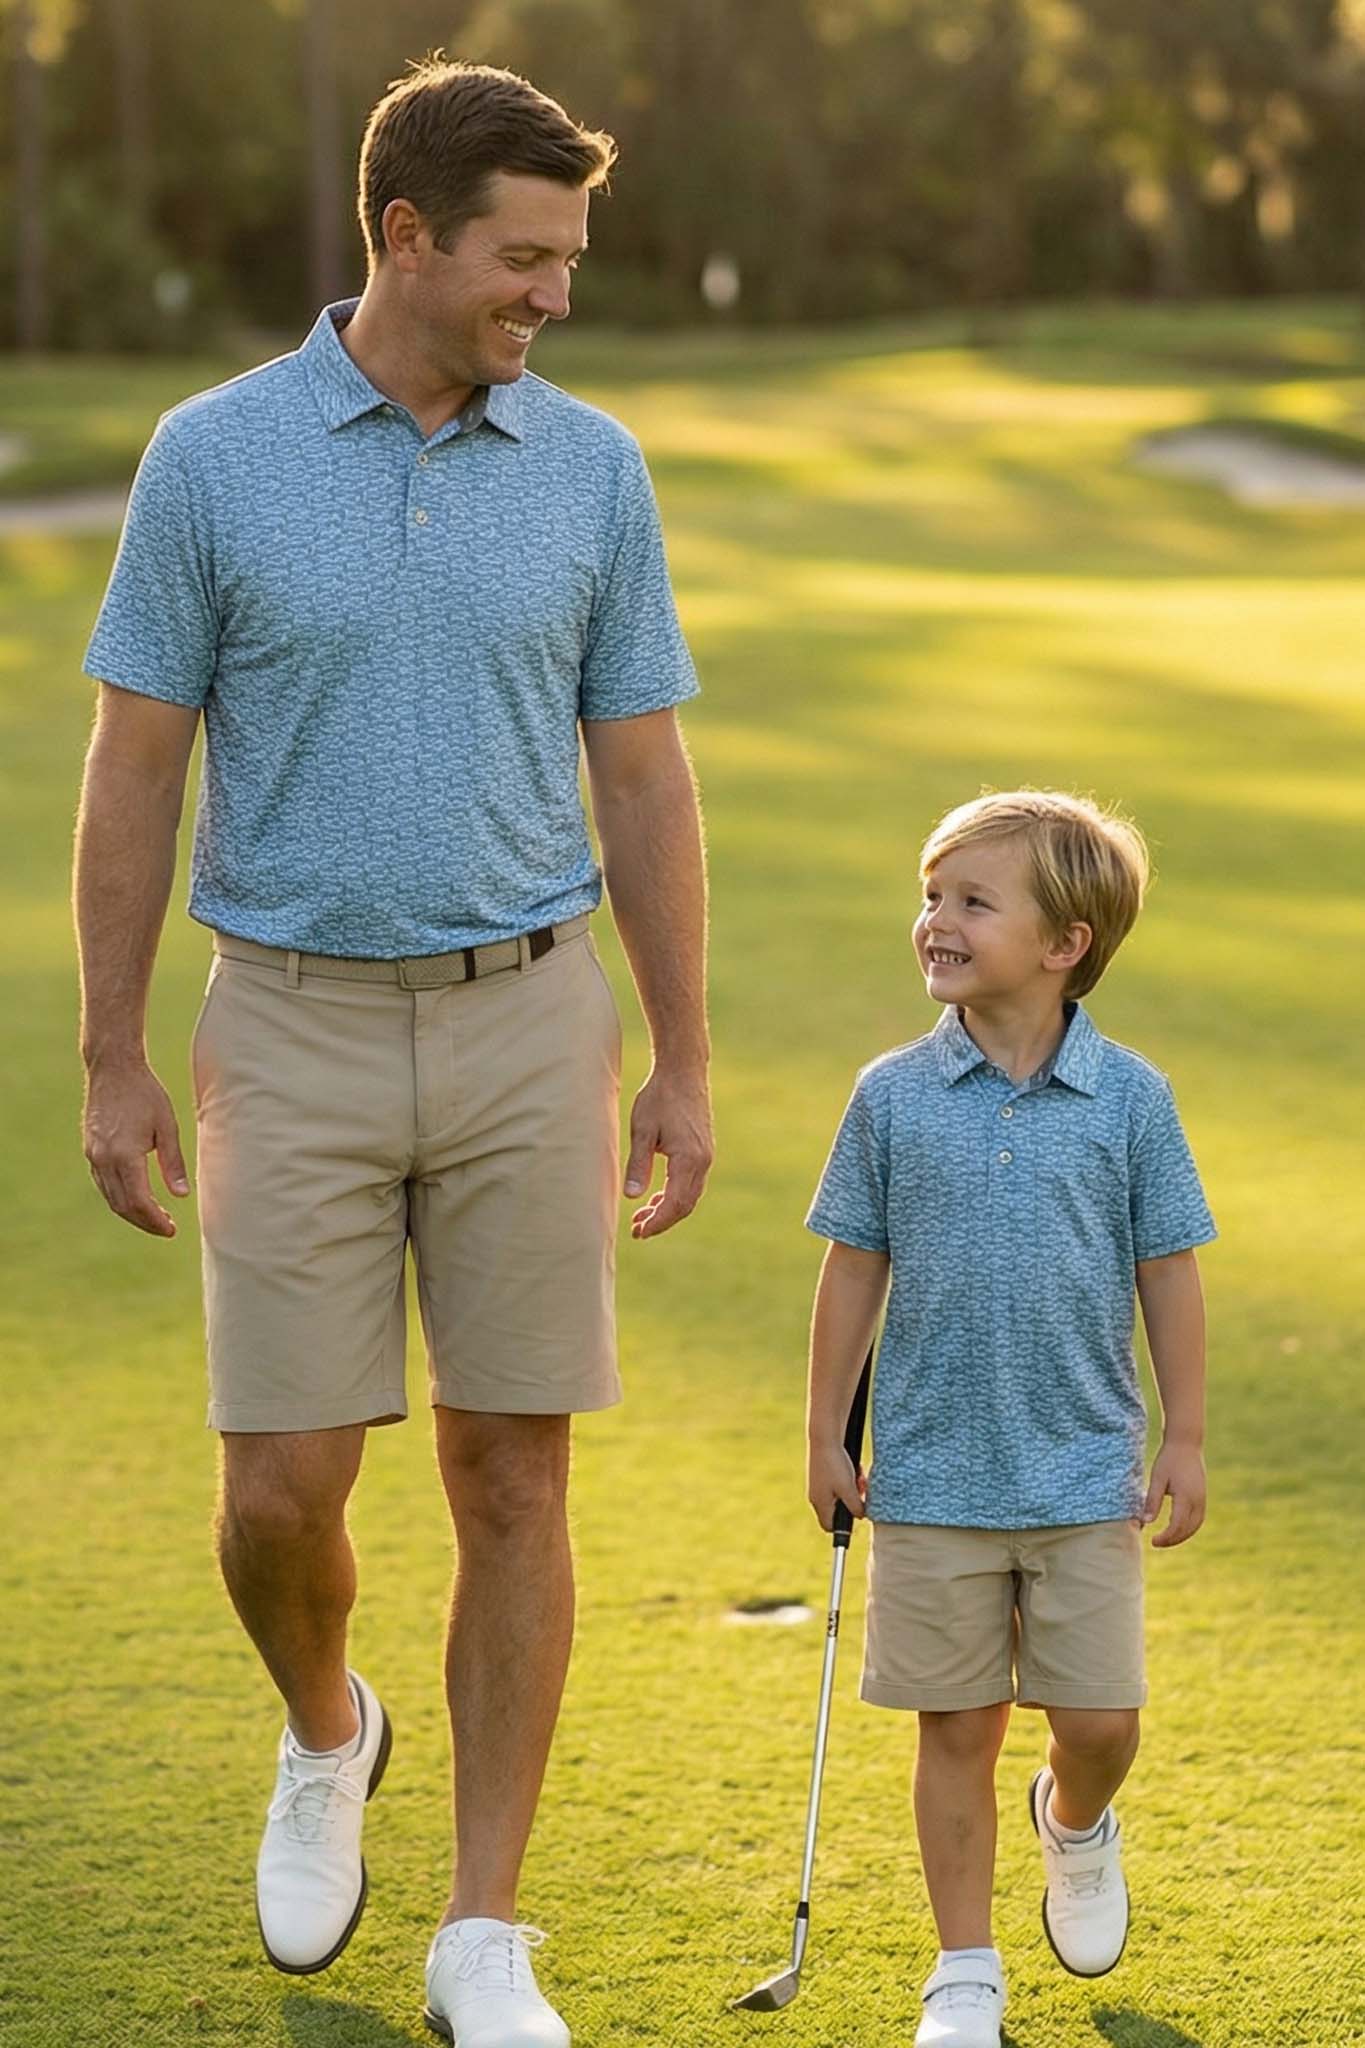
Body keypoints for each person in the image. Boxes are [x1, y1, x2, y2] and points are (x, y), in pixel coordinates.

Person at [74, 57, 712, 2048]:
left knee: (513, 1470)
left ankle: (482, 1929)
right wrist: (110, 1053)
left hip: (531, 1014)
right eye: (526, 256)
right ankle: (325, 1720)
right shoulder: (210, 457)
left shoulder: (593, 467)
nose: (557, 294)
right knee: (281, 1489)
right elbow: (135, 764)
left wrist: (682, 1056)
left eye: (571, 257)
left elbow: (643, 772)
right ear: (406, 235)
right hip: (287, 1021)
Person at [804, 790, 1214, 2048]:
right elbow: (853, 1265)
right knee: (957, 1726)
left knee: (1098, 1721)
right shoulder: (890, 1094)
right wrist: (824, 1430)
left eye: (974, 901)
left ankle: (1074, 1820)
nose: (937, 919)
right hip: (930, 1472)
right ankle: (964, 1968)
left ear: (1065, 943)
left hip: (1085, 1469)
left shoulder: (1131, 1099)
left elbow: (1169, 1269)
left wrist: (1185, 1433)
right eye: (931, 895)